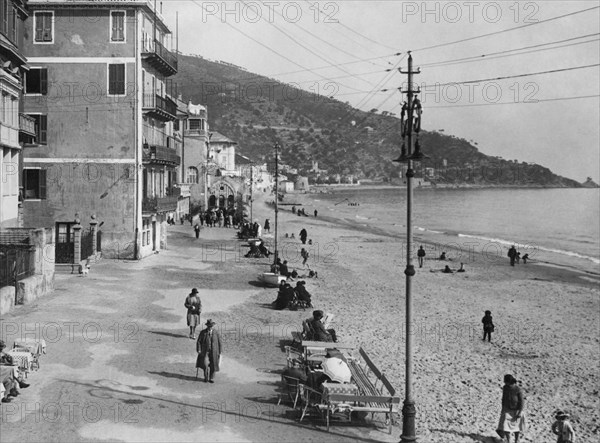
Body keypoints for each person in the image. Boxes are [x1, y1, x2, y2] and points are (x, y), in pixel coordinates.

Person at [497, 374, 526, 443]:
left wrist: (519, 412)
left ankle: (516, 440)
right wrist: (503, 409)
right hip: (507, 409)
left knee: (517, 427)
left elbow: (521, 402)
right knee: (505, 425)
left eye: (506, 382)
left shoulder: (518, 389)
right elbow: (503, 398)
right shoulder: (505, 388)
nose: (505, 383)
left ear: (510, 382)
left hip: (516, 410)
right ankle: (508, 439)